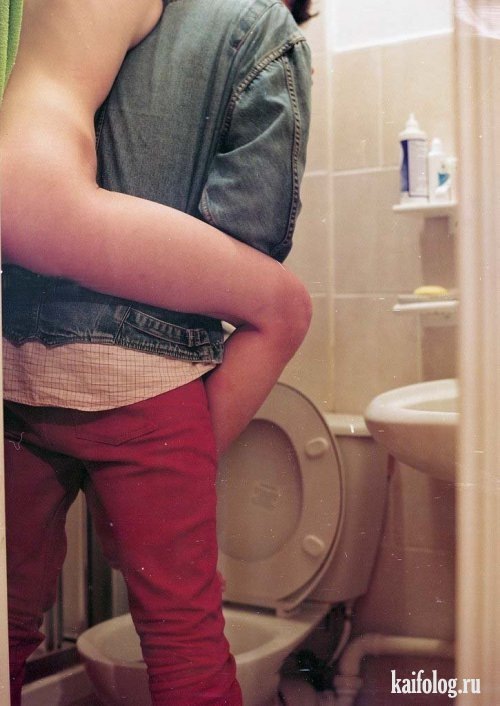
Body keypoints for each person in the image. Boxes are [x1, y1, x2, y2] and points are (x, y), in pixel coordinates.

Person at [0, 0, 314, 704]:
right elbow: (249, 238)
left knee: (6, 619)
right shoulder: (261, 27)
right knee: (183, 638)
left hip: (16, 369)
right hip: (149, 380)